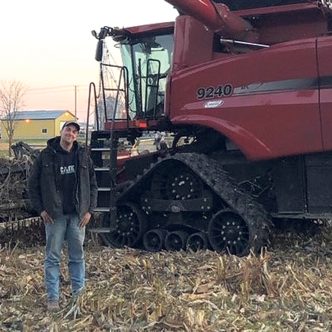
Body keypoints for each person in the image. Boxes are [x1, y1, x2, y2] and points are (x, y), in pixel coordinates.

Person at [28, 121, 98, 312]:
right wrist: (41, 210)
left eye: (75, 132)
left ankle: (78, 297)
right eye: (68, 129)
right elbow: (32, 185)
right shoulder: (46, 156)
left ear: (76, 136)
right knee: (52, 258)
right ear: (61, 132)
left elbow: (93, 185)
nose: (71, 134)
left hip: (78, 215)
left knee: (77, 257)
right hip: (54, 216)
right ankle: (53, 299)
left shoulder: (83, 156)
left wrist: (90, 210)